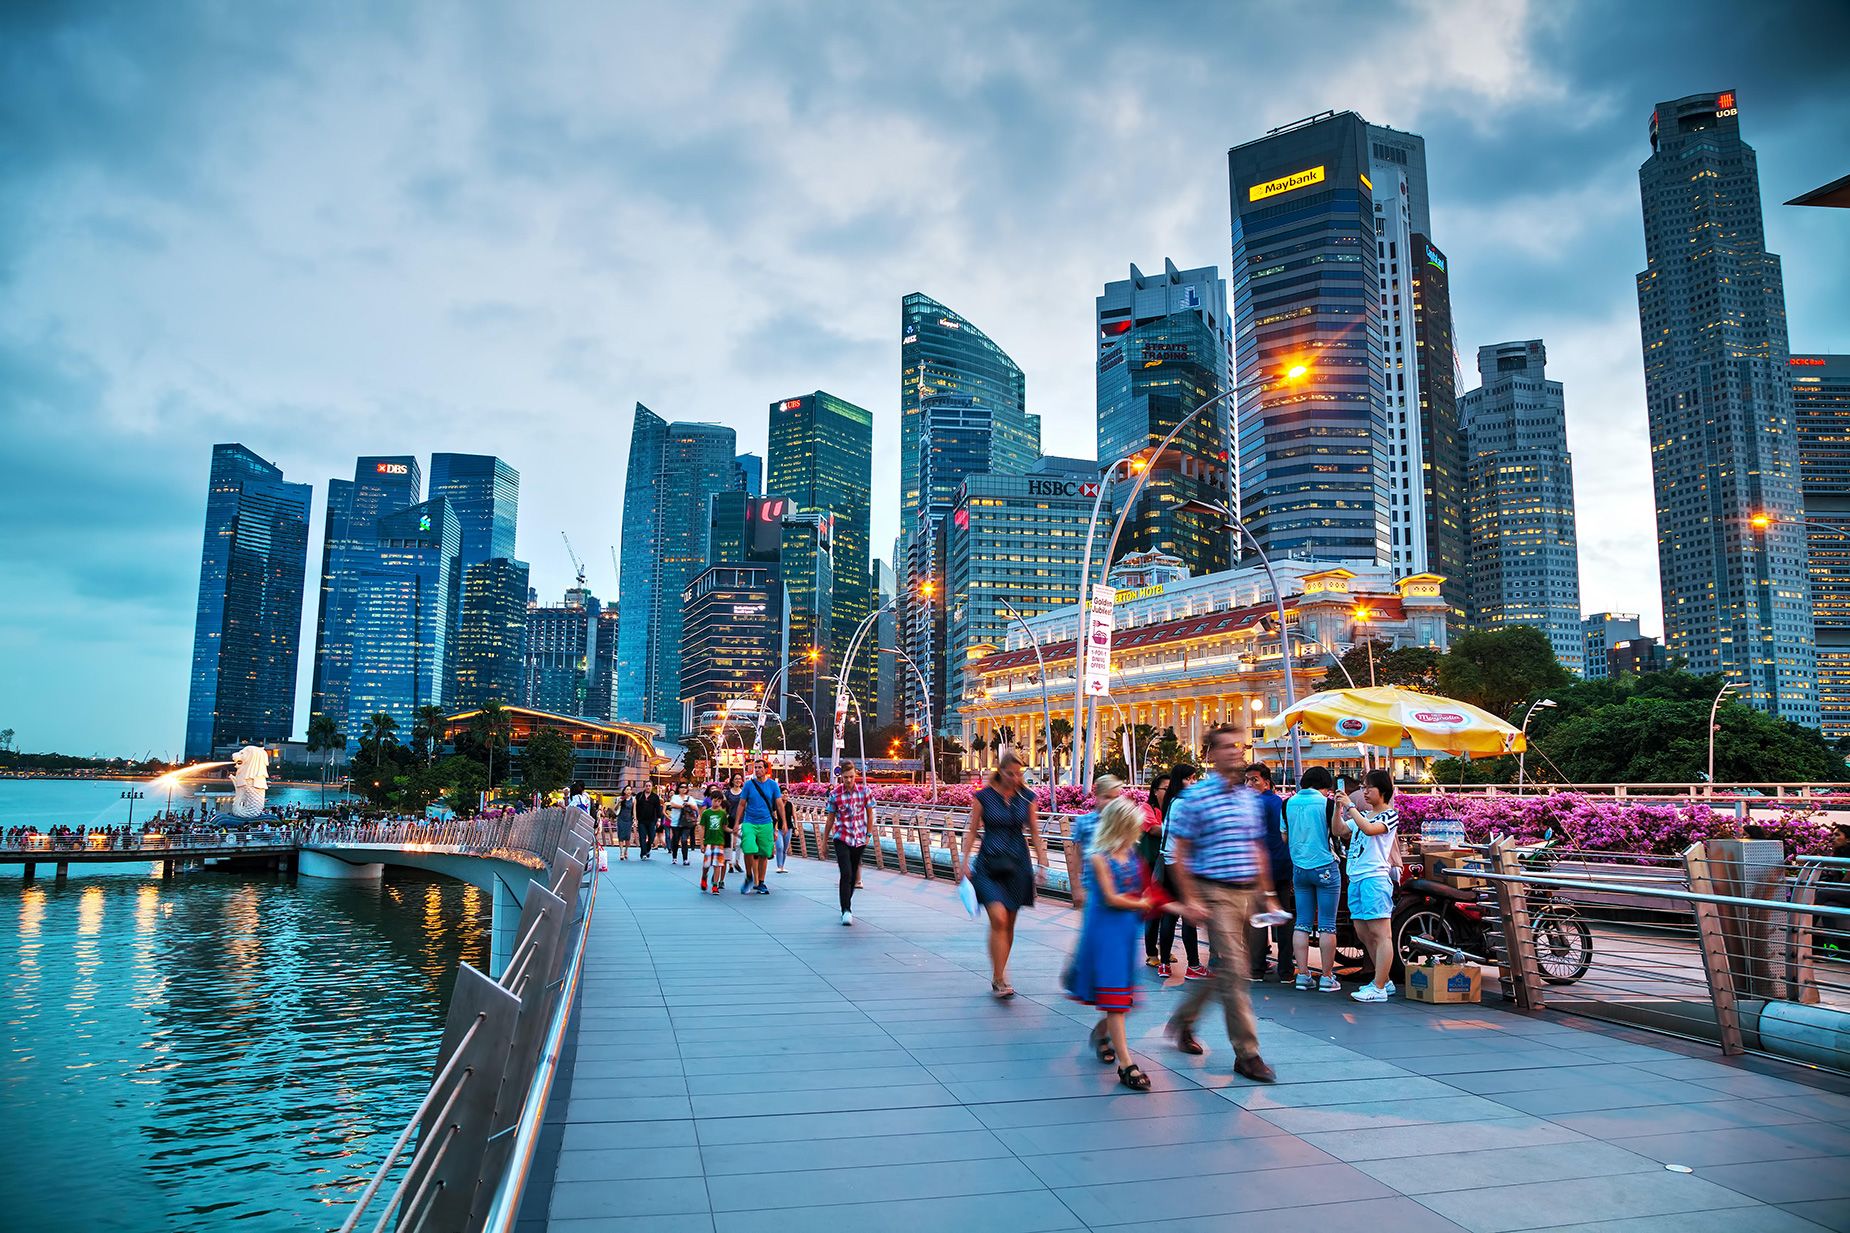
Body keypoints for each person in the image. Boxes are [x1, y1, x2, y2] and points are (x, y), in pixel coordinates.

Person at [1163, 724, 1280, 1083]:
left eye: (1239, 746)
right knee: (1236, 970)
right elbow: (1178, 854)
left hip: (1247, 893)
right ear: (1211, 755)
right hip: (1214, 891)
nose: (1236, 752)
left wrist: (1267, 893)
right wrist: (1191, 898)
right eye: (1227, 747)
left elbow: (1256, 848)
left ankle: (1184, 1020)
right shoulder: (1195, 798)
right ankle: (1247, 1053)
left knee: (1226, 970)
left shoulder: (1248, 798)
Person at [1063, 796, 1156, 1092]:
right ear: (1122, 826)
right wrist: (1143, 902)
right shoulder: (1098, 857)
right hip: (1106, 935)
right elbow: (1113, 896)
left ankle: (1102, 1034)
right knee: (1118, 1001)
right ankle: (1126, 1063)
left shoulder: (1130, 854)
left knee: (1124, 998)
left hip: (1126, 932)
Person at [961, 751, 1049, 998]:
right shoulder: (984, 797)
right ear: (1000, 771)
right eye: (1010, 773)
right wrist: (964, 861)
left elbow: (1034, 832)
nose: (1015, 778)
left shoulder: (1028, 798)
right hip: (988, 864)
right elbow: (971, 831)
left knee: (1009, 924)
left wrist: (1042, 862)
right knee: (998, 919)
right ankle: (1000, 978)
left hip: (1017, 865)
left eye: (1019, 773)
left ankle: (998, 973)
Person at [1341, 768, 1403, 1003]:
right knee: (1363, 931)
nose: (1364, 792)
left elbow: (1370, 830)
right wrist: (1339, 808)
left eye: (1369, 788)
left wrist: (1350, 806)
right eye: (1363, 787)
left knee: (1380, 933)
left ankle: (1378, 987)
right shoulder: (1364, 815)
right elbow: (1340, 831)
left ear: (1383, 790)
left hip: (1374, 878)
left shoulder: (1389, 815)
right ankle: (1383, 979)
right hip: (1356, 877)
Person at [1284, 766, 1343, 991]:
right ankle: (1327, 977)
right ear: (1325, 786)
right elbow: (1338, 832)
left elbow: (1284, 835)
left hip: (1299, 868)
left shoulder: (1287, 804)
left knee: (1302, 922)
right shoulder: (1327, 803)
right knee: (1327, 924)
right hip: (1325, 867)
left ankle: (1303, 975)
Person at [1244, 763, 1295, 985]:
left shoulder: (1253, 804)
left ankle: (1256, 969)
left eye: (1254, 780)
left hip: (1259, 867)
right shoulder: (1280, 802)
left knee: (1256, 918)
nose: (1249, 784)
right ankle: (1285, 970)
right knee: (1282, 916)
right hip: (1282, 864)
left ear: (1267, 781)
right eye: (1247, 780)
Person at [1156, 764, 1206, 981]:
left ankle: (1164, 963)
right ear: (1180, 781)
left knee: (1169, 916)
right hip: (1183, 866)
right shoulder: (1185, 804)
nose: (1193, 782)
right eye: (1189, 779)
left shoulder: (1172, 802)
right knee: (1188, 916)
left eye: (1195, 778)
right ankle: (1193, 965)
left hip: (1168, 862)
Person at [824, 762, 875, 924]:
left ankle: (847, 901)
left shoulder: (865, 792)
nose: (848, 780)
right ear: (841, 777)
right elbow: (830, 818)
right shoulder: (835, 794)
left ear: (856, 775)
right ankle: (846, 909)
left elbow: (870, 814)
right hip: (842, 837)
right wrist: (824, 840)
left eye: (851, 777)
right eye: (845, 777)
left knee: (853, 875)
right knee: (845, 873)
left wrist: (868, 834)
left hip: (859, 838)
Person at [736, 758, 782, 894]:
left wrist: (783, 823)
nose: (757, 770)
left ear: (766, 769)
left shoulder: (773, 785)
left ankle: (761, 882)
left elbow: (779, 805)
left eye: (760, 767)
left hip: (766, 822)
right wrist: (736, 822)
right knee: (749, 849)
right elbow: (742, 804)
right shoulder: (749, 785)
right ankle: (749, 876)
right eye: (755, 768)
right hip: (749, 821)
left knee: (764, 854)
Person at [1141, 772, 1172, 965]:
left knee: (1167, 908)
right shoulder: (1145, 808)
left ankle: (1165, 949)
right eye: (1165, 789)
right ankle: (1152, 952)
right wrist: (1177, 828)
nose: (1168, 793)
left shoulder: (1171, 809)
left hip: (1167, 862)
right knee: (1153, 908)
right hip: (1150, 863)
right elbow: (1153, 829)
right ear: (1155, 790)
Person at [699, 788, 730, 895]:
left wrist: (733, 831)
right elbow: (702, 827)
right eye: (714, 800)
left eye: (719, 801)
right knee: (706, 865)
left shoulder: (722, 814)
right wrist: (702, 843)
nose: (716, 803)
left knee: (717, 865)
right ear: (711, 800)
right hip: (709, 841)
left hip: (719, 842)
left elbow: (725, 827)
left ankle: (715, 885)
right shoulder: (706, 813)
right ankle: (704, 877)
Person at [724, 772, 746, 874]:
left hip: (741, 820)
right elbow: (724, 806)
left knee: (739, 843)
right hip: (730, 820)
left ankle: (737, 861)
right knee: (730, 843)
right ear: (732, 781)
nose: (738, 781)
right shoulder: (727, 793)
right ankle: (730, 864)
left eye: (740, 779)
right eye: (736, 779)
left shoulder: (744, 793)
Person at [635, 783, 662, 859]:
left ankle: (647, 849)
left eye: (649, 786)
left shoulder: (655, 797)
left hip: (652, 820)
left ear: (652, 787)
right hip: (641, 820)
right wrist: (635, 818)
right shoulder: (639, 795)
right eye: (646, 786)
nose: (648, 787)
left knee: (652, 836)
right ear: (644, 786)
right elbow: (635, 807)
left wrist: (659, 819)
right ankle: (643, 853)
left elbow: (658, 808)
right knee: (642, 837)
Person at [614, 787, 635, 861]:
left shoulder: (633, 799)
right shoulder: (620, 798)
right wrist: (619, 802)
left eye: (630, 789)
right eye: (627, 789)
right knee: (621, 835)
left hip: (629, 819)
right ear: (624, 791)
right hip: (621, 818)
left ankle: (626, 850)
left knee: (627, 836)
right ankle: (621, 852)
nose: (629, 791)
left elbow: (634, 810)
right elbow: (615, 809)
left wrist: (635, 819)